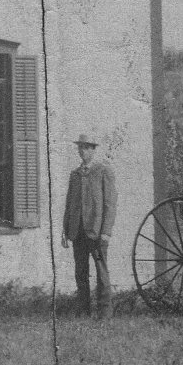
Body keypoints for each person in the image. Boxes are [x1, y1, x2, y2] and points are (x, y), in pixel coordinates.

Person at [59, 133, 118, 317]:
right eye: (80, 147)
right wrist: (65, 230)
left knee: (101, 273)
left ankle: (104, 313)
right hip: (78, 232)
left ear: (93, 150)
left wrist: (106, 231)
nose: (82, 151)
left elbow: (110, 204)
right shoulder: (75, 175)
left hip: (97, 232)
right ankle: (83, 311)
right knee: (81, 273)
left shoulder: (103, 171)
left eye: (86, 147)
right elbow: (69, 204)